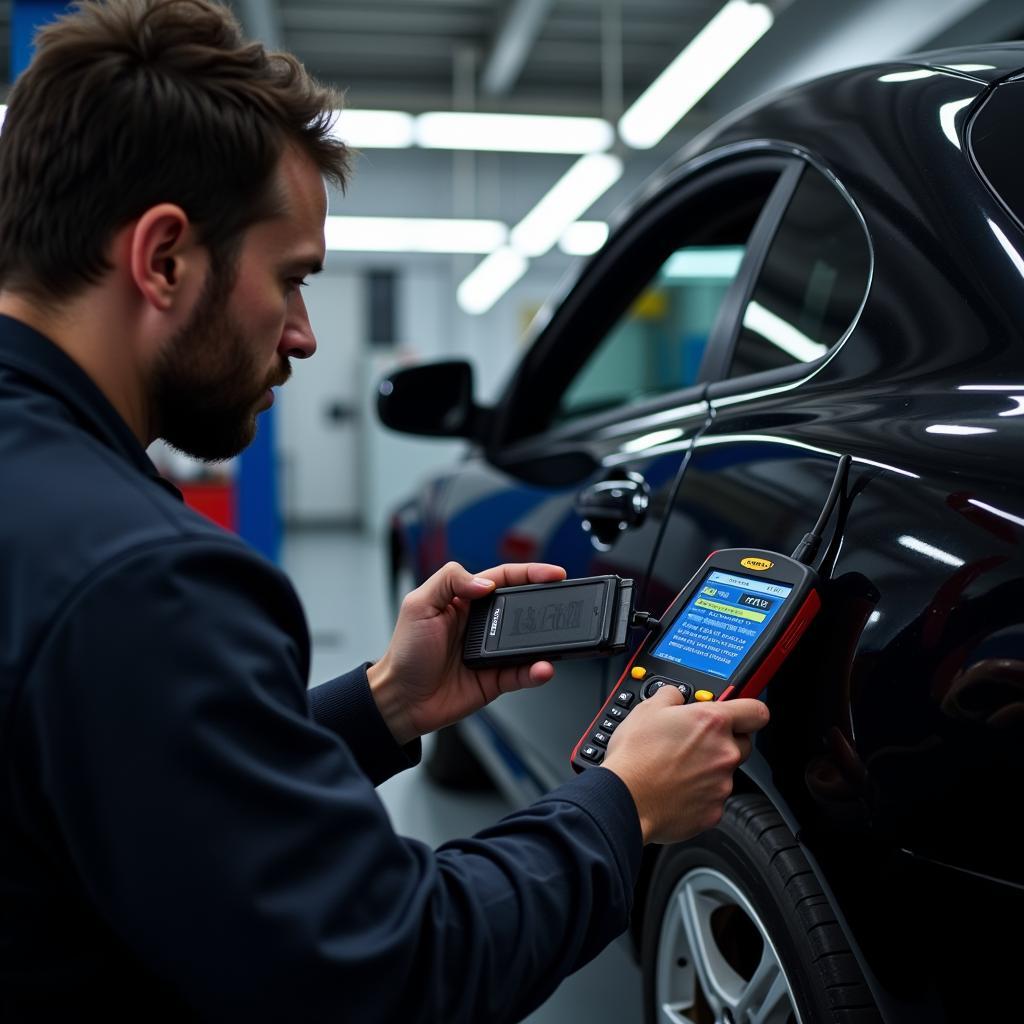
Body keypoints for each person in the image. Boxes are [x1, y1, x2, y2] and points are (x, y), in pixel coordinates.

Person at [0, 1, 770, 1020]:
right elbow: (388, 969)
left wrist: (379, 705)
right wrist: (620, 808)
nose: (305, 335)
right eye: (291, 280)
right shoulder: (144, 578)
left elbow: (127, 776)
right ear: (164, 258)